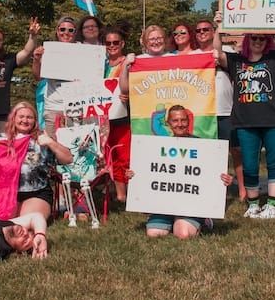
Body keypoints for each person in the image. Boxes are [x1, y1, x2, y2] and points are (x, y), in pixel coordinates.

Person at [214, 11, 275, 219]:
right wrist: (219, 28)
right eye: (254, 38)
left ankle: (272, 206)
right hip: (245, 122)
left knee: (274, 163)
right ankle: (253, 205)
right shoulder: (236, 60)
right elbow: (217, 53)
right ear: (248, 40)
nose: (258, 41)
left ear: (267, 41)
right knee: (249, 164)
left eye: (262, 38)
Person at [127, 105, 234, 239]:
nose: (180, 124)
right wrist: (134, 174)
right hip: (163, 205)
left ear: (188, 121)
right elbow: (147, 172)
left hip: (191, 206)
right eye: (175, 120)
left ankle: (205, 220)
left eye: (183, 120)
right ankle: (168, 220)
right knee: (153, 234)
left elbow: (210, 174)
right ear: (168, 123)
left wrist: (224, 180)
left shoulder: (201, 145)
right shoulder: (158, 146)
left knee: (183, 234)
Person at [0, 101, 72, 221]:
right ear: (13, 119)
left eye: (29, 117)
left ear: (35, 121)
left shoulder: (41, 140)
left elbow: (68, 159)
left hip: (36, 193)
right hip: (6, 194)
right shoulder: (1, 143)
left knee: (26, 223)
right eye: (21, 117)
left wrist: (51, 143)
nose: (25, 120)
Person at [193, 18, 246, 200]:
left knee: (235, 151)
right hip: (203, 112)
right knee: (208, 153)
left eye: (206, 29)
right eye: (198, 30)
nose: (202, 33)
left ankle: (242, 190)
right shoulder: (193, 55)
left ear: (213, 31)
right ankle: (211, 189)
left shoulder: (227, 52)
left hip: (226, 109)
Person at [31, 16, 79, 136]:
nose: (66, 33)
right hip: (53, 107)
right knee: (52, 146)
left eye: (70, 30)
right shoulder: (48, 50)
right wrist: (36, 59)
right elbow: (38, 77)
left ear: (75, 33)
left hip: (77, 108)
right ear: (57, 31)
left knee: (75, 148)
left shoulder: (83, 50)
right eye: (62, 29)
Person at [0, 20, 39, 132]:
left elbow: (27, 52)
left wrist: (33, 35)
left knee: (1, 146)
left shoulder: (9, 59)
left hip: (1, 113)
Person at [103, 27, 132, 202]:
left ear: (122, 44)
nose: (112, 46)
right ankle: (114, 190)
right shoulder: (101, 64)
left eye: (115, 42)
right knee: (108, 154)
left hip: (122, 115)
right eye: (108, 43)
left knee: (123, 154)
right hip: (102, 116)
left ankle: (124, 194)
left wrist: (129, 95)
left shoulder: (127, 63)